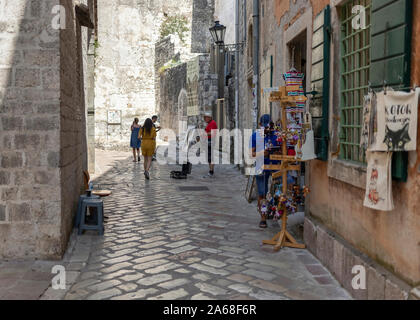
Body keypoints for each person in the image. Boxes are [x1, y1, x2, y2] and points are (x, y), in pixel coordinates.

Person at [250, 114, 274, 229]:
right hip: (261, 167)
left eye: (268, 126)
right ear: (260, 125)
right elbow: (251, 154)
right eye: (264, 126)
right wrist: (262, 153)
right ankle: (263, 217)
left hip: (275, 167)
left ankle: (274, 210)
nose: (266, 129)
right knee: (262, 194)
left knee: (281, 189)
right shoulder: (255, 136)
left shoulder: (275, 135)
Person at [204, 111, 217, 177]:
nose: (205, 119)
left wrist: (204, 134)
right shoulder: (209, 123)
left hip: (211, 141)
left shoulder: (213, 123)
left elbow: (213, 133)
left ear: (209, 118)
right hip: (208, 140)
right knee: (208, 157)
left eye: (206, 118)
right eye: (205, 118)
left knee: (210, 156)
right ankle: (210, 170)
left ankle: (211, 171)